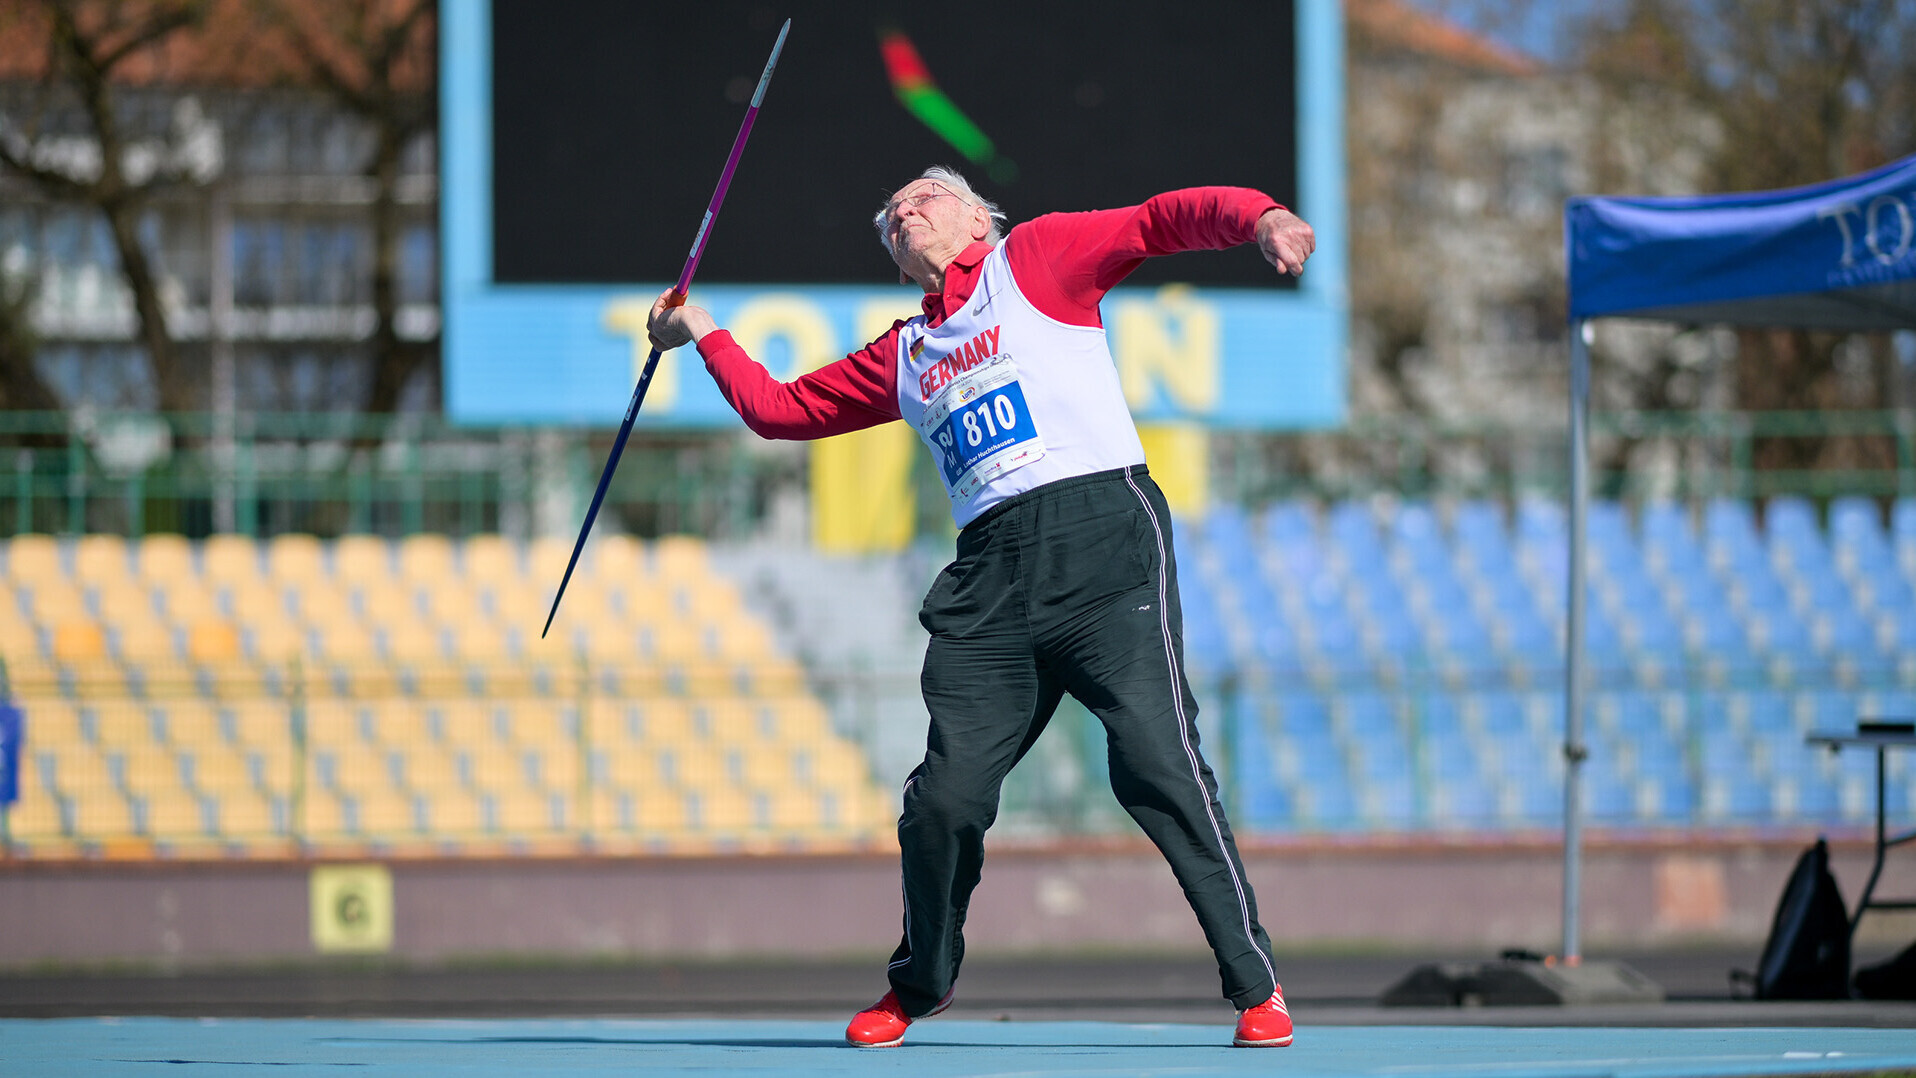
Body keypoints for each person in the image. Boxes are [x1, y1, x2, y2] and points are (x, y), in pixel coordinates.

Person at [647, 166, 1315, 1048]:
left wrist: (1258, 217)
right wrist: (701, 329)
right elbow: (780, 411)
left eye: (925, 195)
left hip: (1099, 544)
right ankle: (919, 983)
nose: (903, 211)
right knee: (942, 803)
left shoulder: (1035, 257)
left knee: (1157, 763)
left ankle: (1255, 985)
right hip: (989, 582)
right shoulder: (903, 353)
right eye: (890, 215)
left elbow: (1157, 221)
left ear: (977, 220)